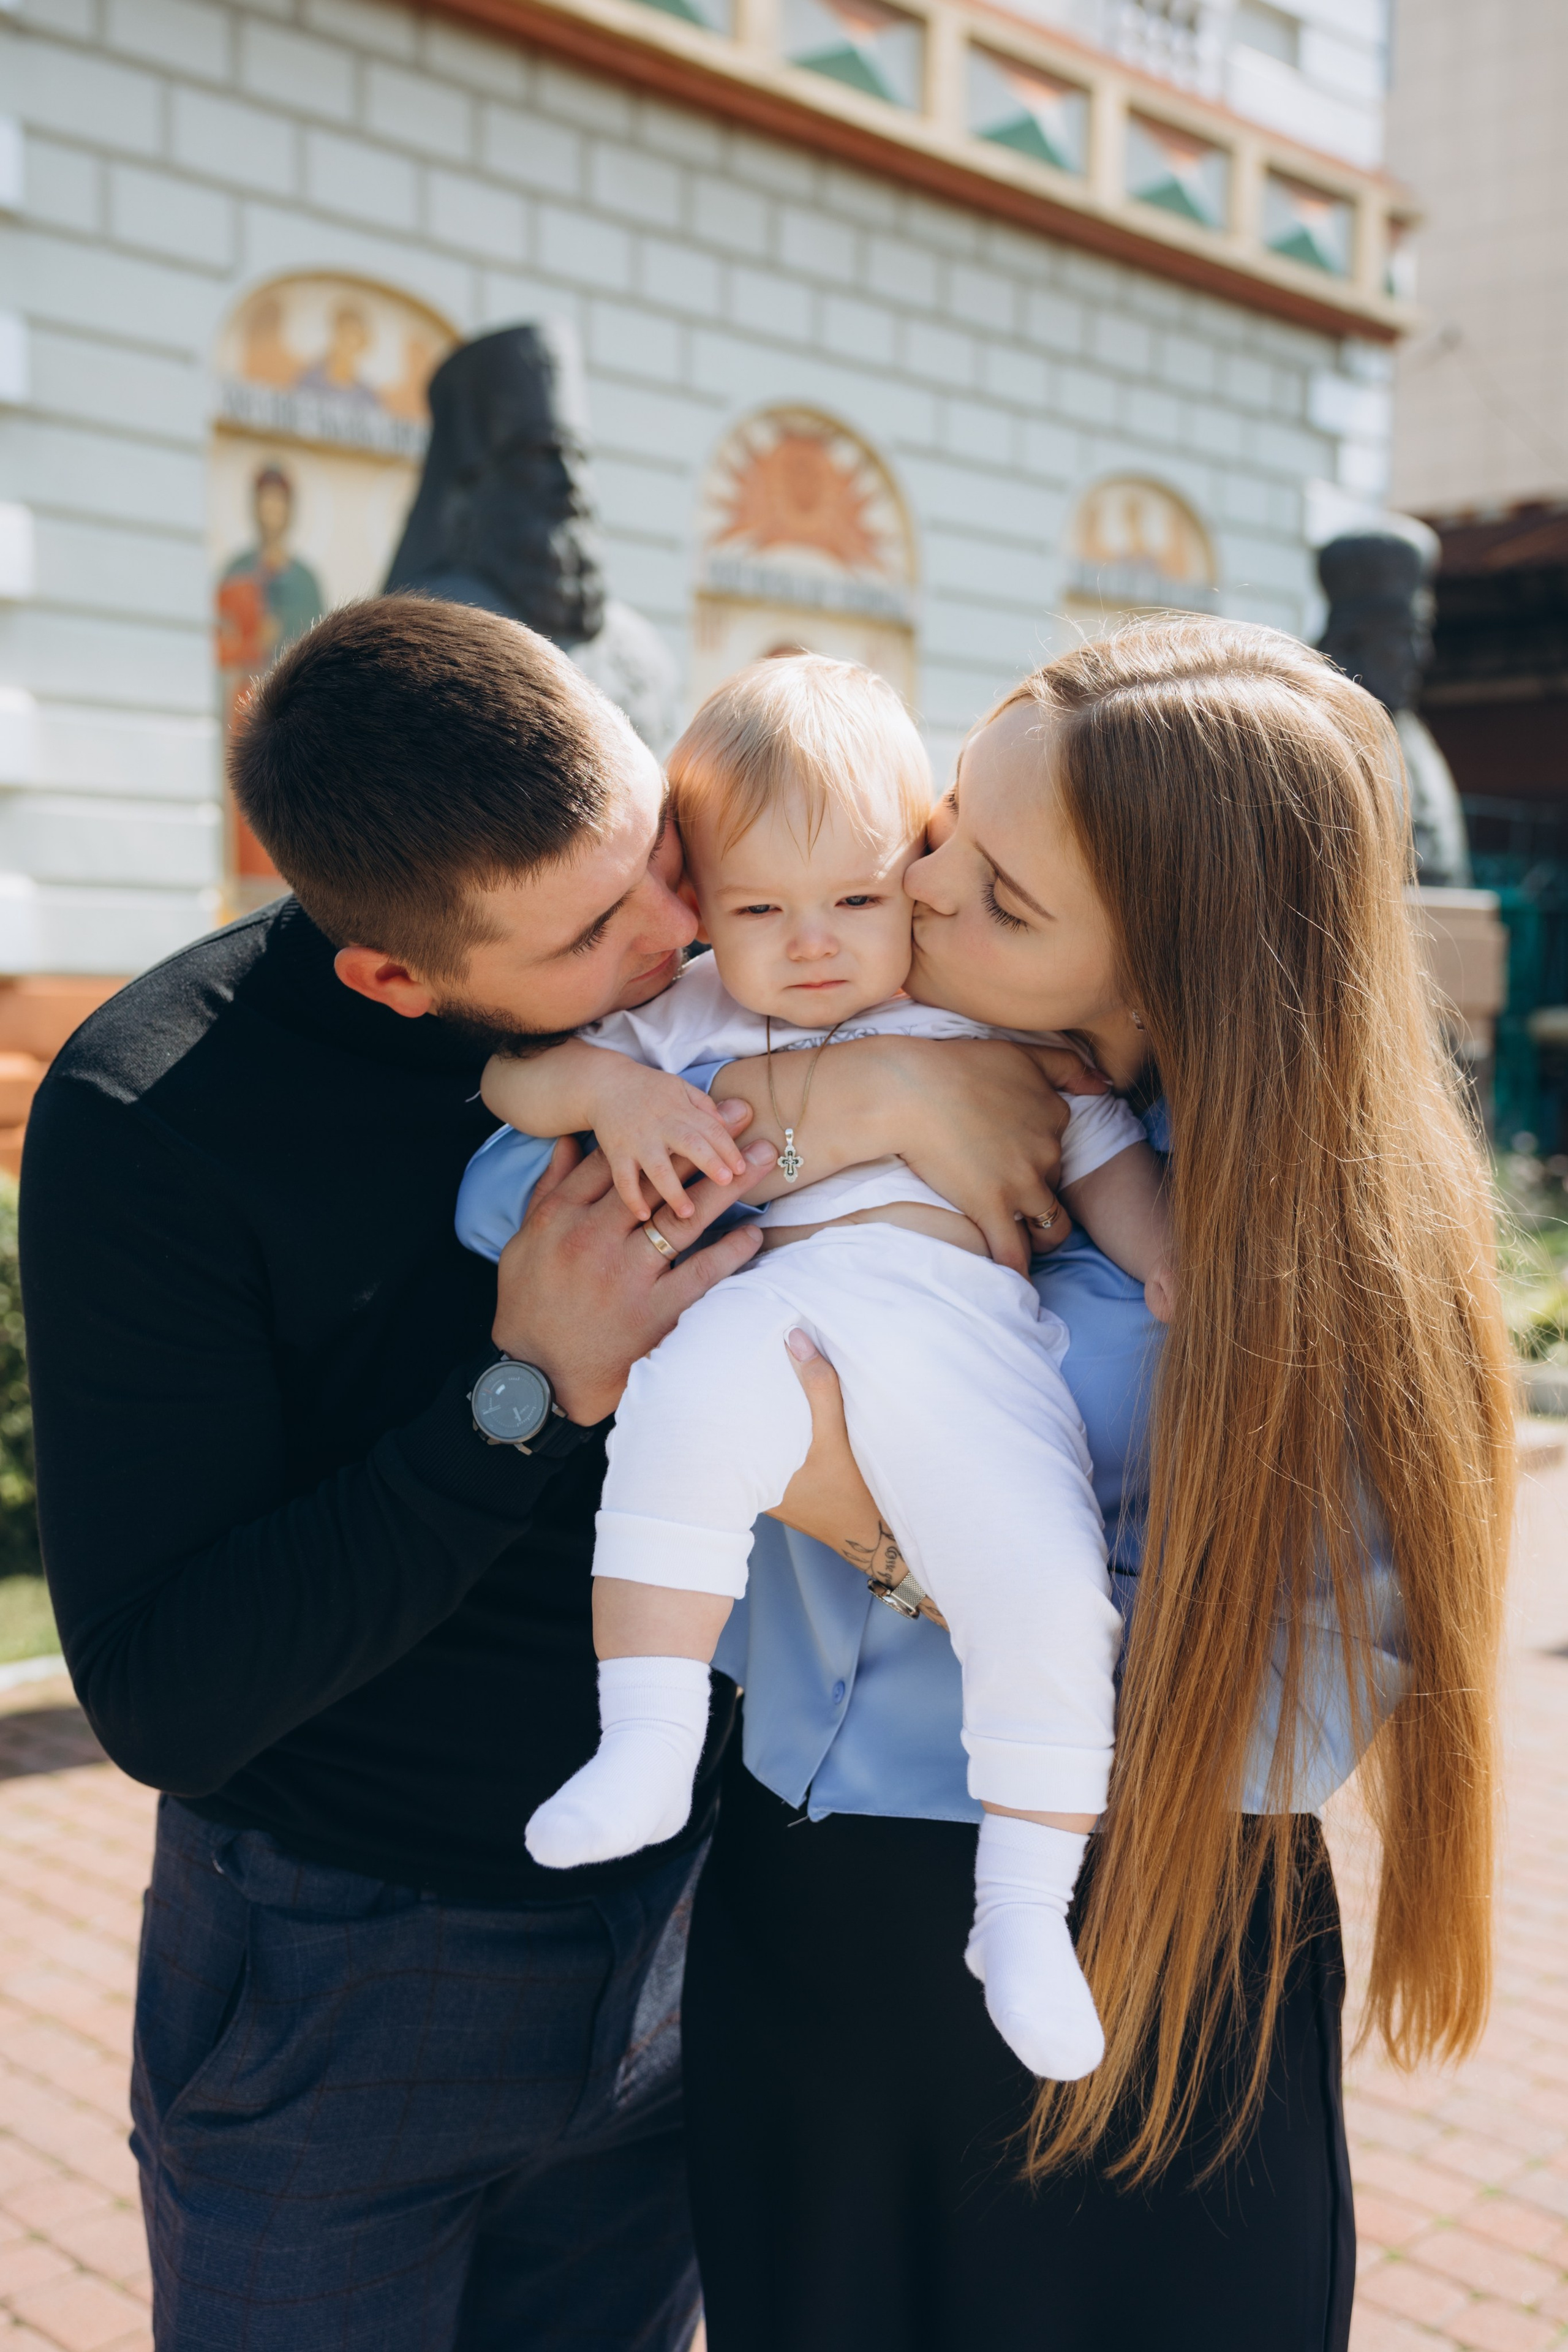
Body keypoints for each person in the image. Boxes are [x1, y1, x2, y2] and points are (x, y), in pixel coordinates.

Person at [18, 595, 1091, 2352]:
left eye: (658, 849)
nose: (682, 926)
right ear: (397, 978)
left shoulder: (758, 984)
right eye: (598, 928)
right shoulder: (157, 1119)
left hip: (699, 1912)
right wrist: (523, 1392)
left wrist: (879, 1093)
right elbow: (162, 1694)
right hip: (353, 1966)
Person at [674, 617, 1516, 2352]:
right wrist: (864, 1088)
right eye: (945, 826)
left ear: (1166, 976)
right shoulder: (833, 1041)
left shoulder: (1309, 1248)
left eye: (999, 896)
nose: (917, 888)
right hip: (798, 1920)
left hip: (1140, 1951)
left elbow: (1278, 1713)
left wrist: (877, 1535)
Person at [480, 655, 1168, 2083]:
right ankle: (647, 1739)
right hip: (780, 1312)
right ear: (700, 903)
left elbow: (1098, 1151)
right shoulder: (690, 1016)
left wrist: (1171, 1268)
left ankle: (1023, 1910)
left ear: (909, 865)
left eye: (855, 899)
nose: (807, 946)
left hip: (968, 1348)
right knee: (682, 1417)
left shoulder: (982, 1017)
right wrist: (611, 1090)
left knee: (1046, 1596)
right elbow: (511, 1094)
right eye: (757, 910)